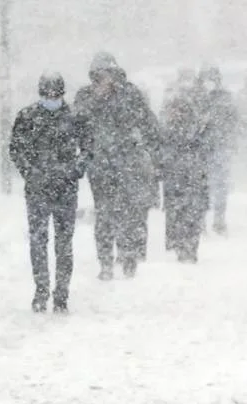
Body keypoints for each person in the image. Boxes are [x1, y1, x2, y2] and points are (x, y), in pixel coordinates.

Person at [9, 72, 90, 313]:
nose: (51, 98)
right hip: (38, 189)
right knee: (38, 241)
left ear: (62, 94)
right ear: (41, 93)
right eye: (47, 94)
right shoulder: (27, 117)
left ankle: (61, 293)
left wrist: (76, 168)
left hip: (65, 188)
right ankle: (41, 289)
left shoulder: (75, 117)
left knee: (64, 243)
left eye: (55, 94)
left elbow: (88, 146)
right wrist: (30, 172)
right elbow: (16, 149)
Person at [74, 52, 160, 280]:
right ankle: (105, 261)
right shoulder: (85, 95)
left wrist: (151, 152)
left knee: (129, 212)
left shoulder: (129, 93)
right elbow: (76, 124)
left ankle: (128, 255)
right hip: (99, 166)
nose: (104, 78)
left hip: (127, 163)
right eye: (99, 74)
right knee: (104, 214)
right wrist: (96, 99)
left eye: (107, 73)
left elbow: (149, 124)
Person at [160, 75, 210, 263]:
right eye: (174, 110)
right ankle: (181, 246)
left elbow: (204, 148)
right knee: (177, 214)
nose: (176, 114)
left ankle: (189, 246)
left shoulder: (195, 129)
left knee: (191, 214)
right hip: (176, 180)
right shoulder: (167, 130)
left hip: (192, 177)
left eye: (180, 110)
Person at [196, 65, 238, 235]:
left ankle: (218, 219)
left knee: (219, 185)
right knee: (201, 186)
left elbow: (234, 120)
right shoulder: (196, 98)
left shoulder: (224, 98)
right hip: (201, 148)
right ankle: (202, 220)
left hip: (218, 146)